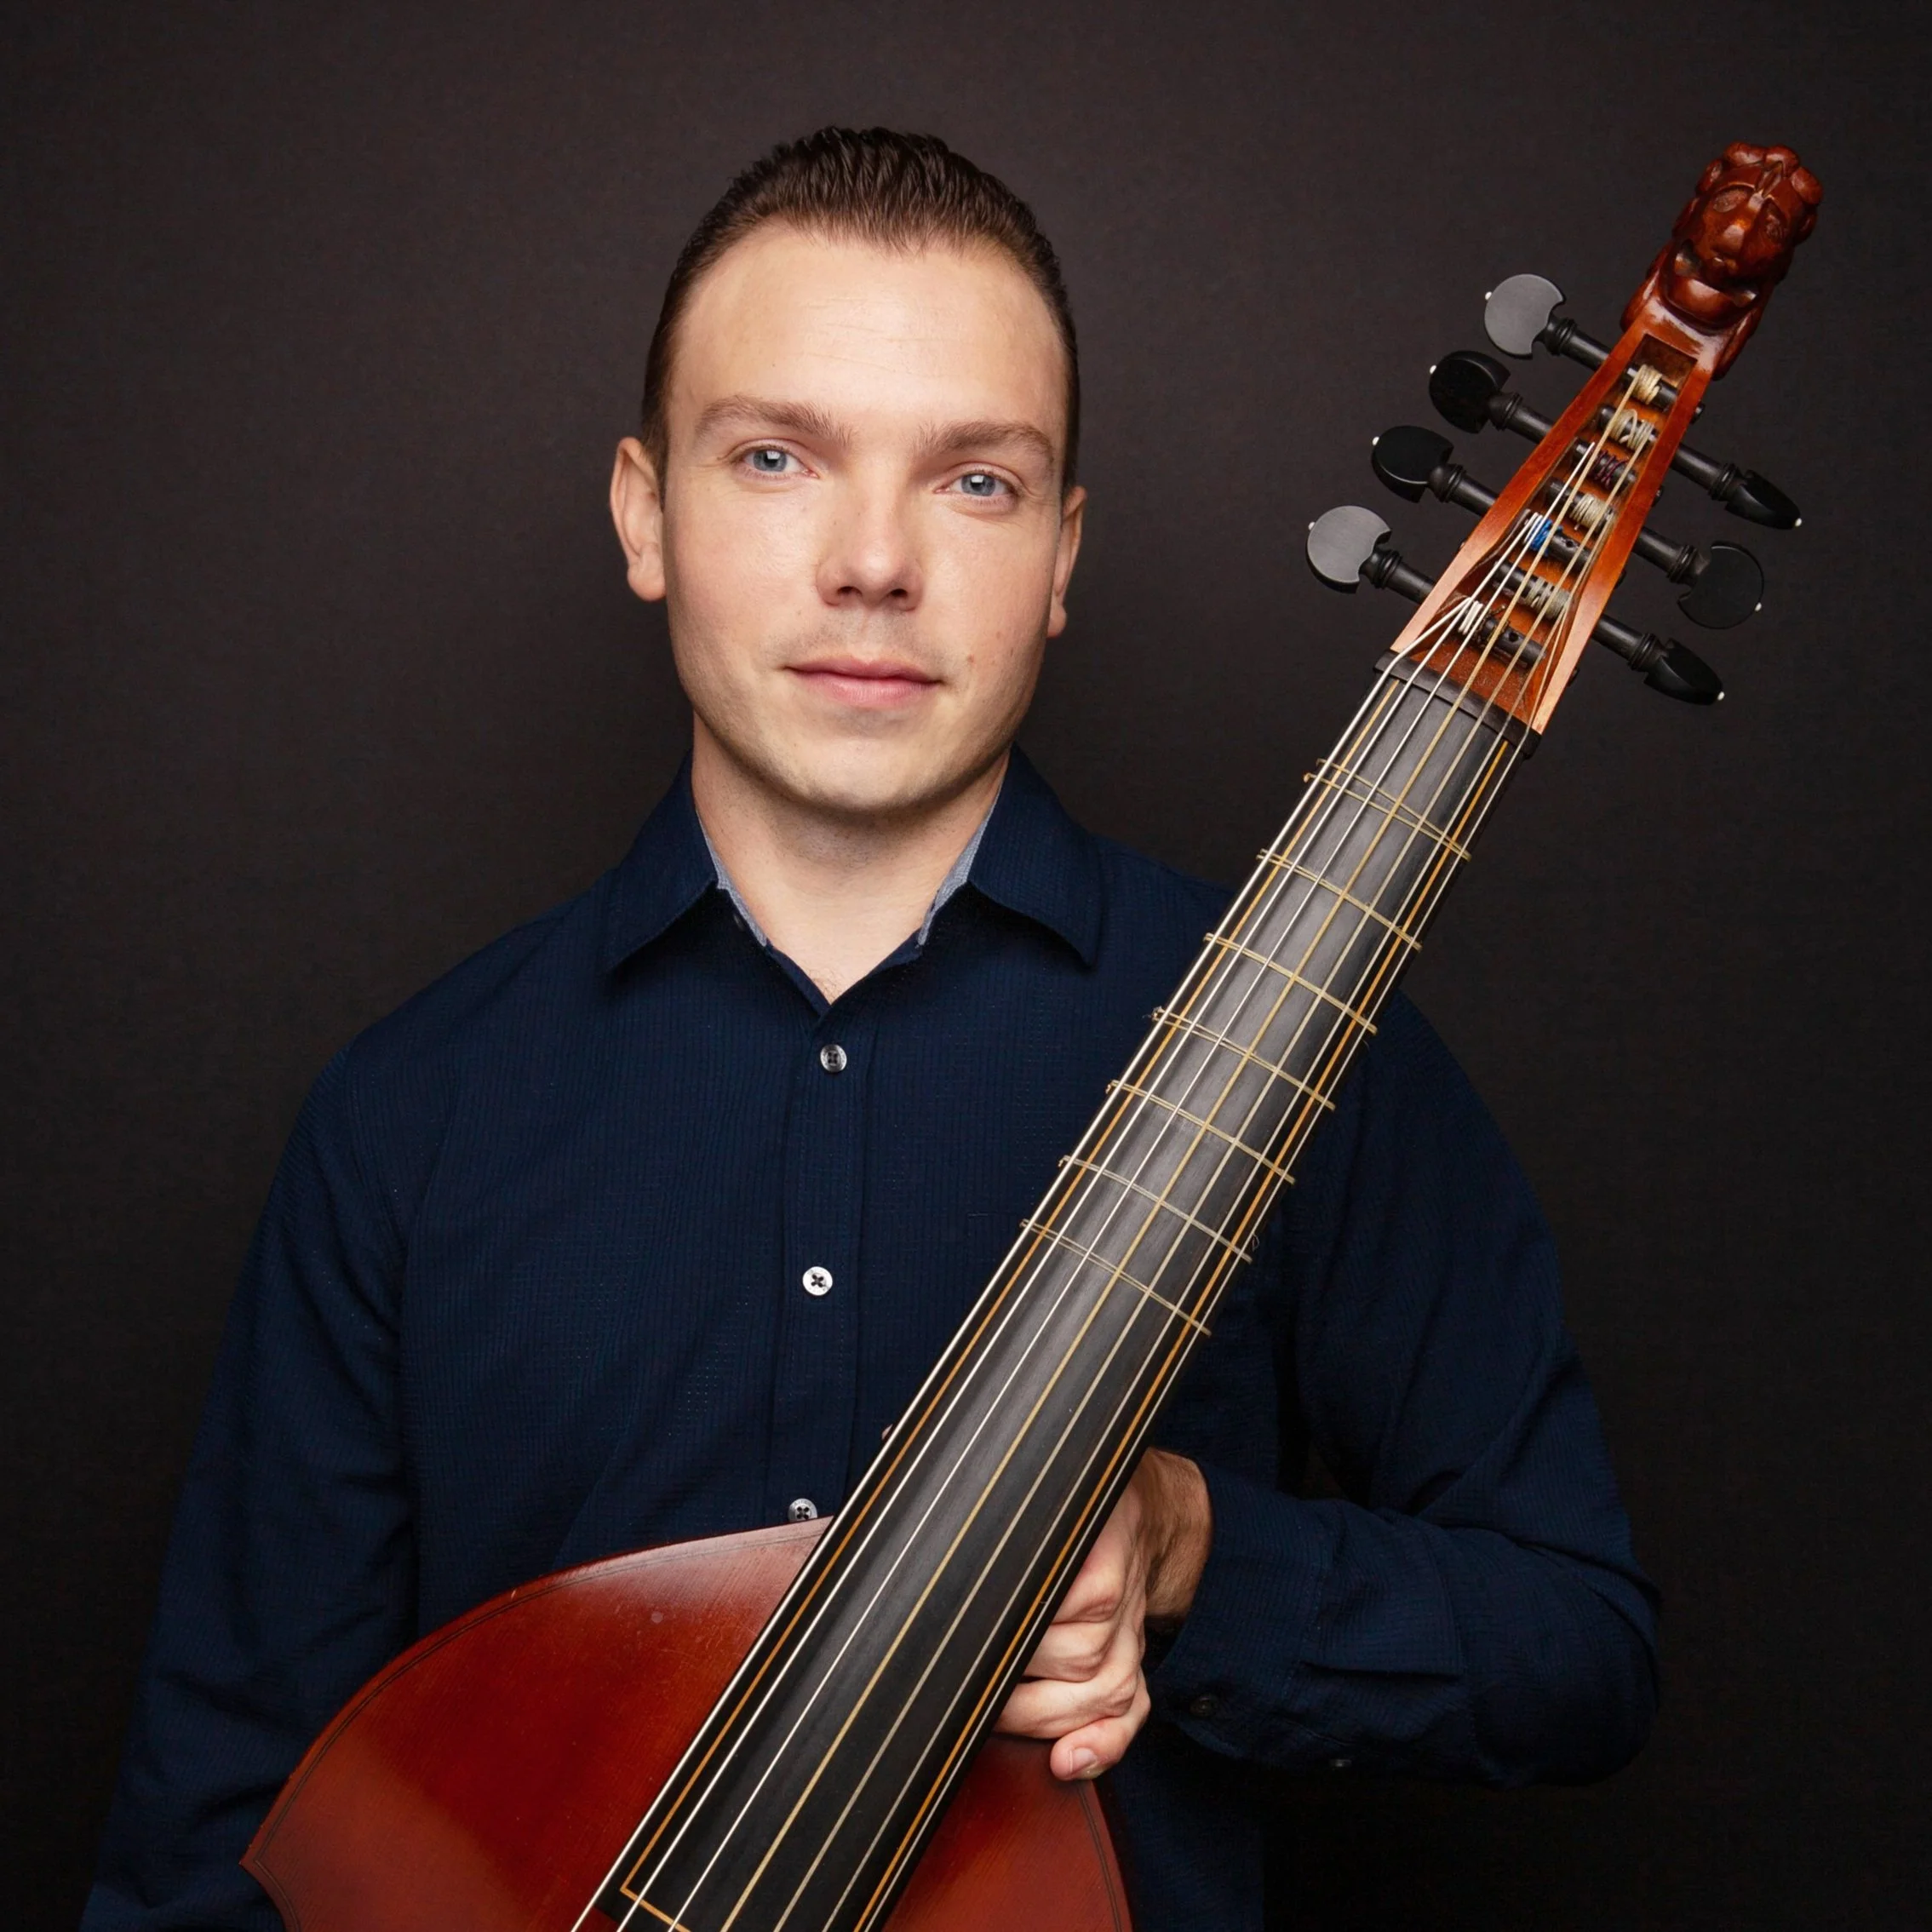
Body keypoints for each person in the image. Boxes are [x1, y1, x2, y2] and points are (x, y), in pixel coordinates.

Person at [84, 128, 1658, 1931]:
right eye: (775, 456)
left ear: (1063, 555)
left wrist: (1200, 1556)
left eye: (975, 483)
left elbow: (1581, 1647)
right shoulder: (407, 1119)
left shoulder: (1318, 1048)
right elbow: (218, 1836)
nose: (873, 562)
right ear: (642, 514)